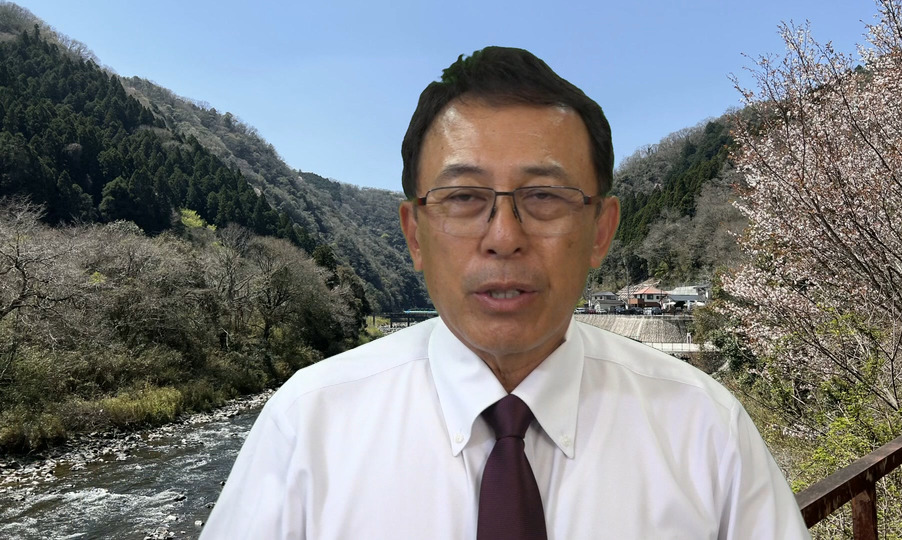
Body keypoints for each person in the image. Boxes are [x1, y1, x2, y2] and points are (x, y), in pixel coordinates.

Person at [200, 46, 810, 539]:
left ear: (601, 230)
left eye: (544, 196)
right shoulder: (307, 425)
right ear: (414, 234)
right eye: (464, 197)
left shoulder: (706, 431)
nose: (503, 237)